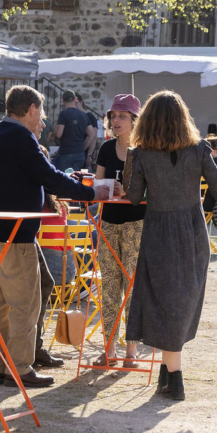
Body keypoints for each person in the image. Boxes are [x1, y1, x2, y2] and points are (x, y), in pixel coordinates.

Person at [0, 85, 113, 389]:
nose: (43, 116)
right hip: (15, 233)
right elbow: (50, 177)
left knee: (5, 298)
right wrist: (91, 192)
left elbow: (40, 176)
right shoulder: (19, 137)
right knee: (24, 301)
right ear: (30, 109)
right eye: (40, 109)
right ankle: (19, 367)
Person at [125, 91, 217, 401]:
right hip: (193, 233)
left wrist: (130, 165)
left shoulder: (141, 154)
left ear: (148, 121)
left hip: (158, 233)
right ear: (183, 120)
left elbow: (134, 198)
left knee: (162, 303)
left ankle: (175, 377)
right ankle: (167, 375)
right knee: (180, 305)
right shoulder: (199, 151)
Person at [92, 94, 146, 369]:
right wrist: (105, 188)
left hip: (138, 221)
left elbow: (154, 188)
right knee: (110, 285)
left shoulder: (147, 149)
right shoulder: (106, 148)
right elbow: (99, 184)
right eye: (113, 116)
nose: (116, 120)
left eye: (122, 116)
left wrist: (131, 191)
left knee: (133, 287)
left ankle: (131, 351)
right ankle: (109, 348)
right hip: (109, 221)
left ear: (135, 120)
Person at [52, 90, 93, 171]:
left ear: (63, 101)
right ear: (75, 100)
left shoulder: (63, 114)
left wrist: (54, 133)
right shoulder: (84, 115)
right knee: (76, 179)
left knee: (63, 180)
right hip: (80, 154)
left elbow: (58, 134)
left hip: (66, 153)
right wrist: (82, 148)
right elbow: (92, 134)